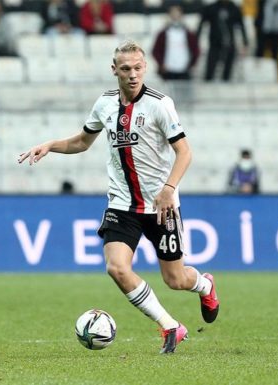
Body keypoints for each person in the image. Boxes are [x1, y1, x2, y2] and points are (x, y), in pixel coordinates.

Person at [18, 41, 219, 354]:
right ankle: (170, 326)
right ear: (114, 70)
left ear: (145, 68)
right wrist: (50, 145)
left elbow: (184, 152)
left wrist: (168, 188)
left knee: (176, 279)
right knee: (116, 268)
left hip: (161, 206)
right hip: (121, 205)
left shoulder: (160, 104)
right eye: (126, 69)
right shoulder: (105, 103)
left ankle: (205, 285)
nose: (133, 74)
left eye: (138, 68)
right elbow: (82, 142)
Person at [197, 0, 248, 81]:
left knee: (227, 75)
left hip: (230, 44)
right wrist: (197, 41)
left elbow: (241, 26)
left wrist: (245, 43)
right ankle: (207, 91)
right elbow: (201, 24)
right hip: (214, 45)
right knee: (209, 73)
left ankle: (225, 91)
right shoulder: (211, 8)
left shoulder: (234, 8)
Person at [151, 4, 200, 81]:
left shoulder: (189, 34)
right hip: (168, 71)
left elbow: (196, 50)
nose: (175, 16)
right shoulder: (163, 34)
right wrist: (161, 64)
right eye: (173, 14)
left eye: (177, 14)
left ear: (182, 16)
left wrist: (192, 65)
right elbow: (155, 51)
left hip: (184, 70)